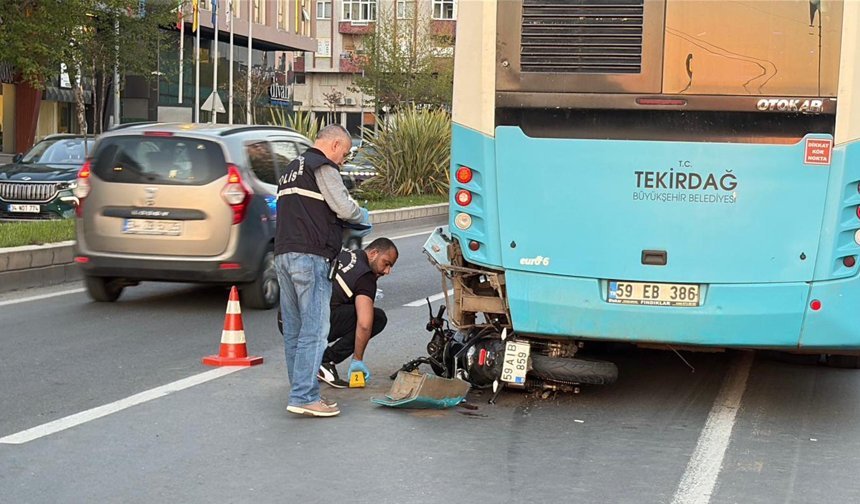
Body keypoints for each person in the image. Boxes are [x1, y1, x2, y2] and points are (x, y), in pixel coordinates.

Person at [275, 124, 369, 418]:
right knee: (315, 330)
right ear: (335, 145)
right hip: (311, 256)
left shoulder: (291, 168)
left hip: (283, 255)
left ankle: (299, 391)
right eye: (346, 152)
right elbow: (343, 207)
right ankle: (304, 396)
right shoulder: (323, 166)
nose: (344, 159)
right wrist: (362, 216)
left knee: (294, 330)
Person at [317, 238, 399, 388]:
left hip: (290, 320)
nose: (387, 271)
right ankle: (326, 360)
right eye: (386, 263)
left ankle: (311, 360)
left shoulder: (345, 253)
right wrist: (357, 359)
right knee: (377, 318)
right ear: (374, 253)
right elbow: (365, 324)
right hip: (316, 322)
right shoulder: (366, 275)